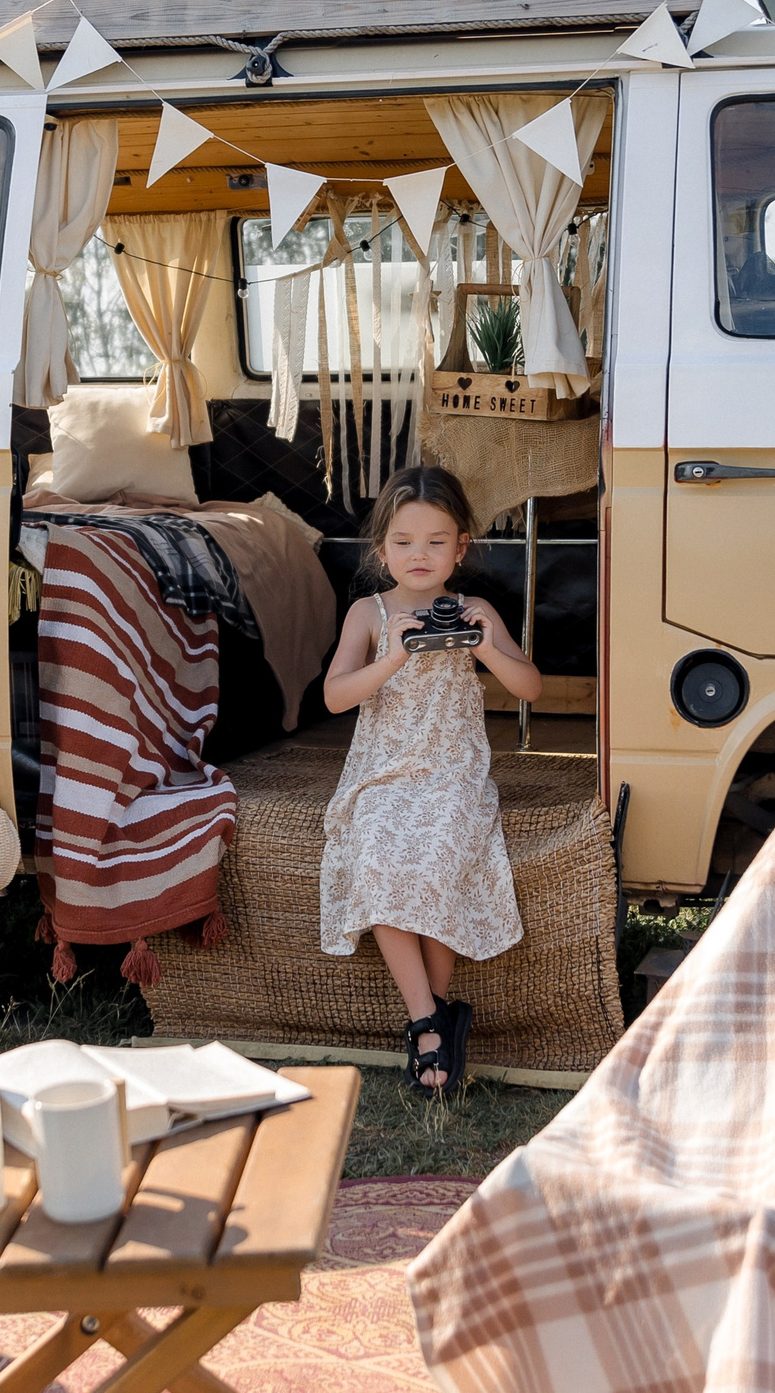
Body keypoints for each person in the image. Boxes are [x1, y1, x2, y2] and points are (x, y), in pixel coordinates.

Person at [319, 465, 535, 1096]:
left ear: (461, 547)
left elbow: (530, 686)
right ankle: (432, 1024)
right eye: (405, 542)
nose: (420, 555)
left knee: (438, 863)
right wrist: (393, 656)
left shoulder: (475, 610)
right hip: (383, 773)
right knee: (382, 859)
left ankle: (431, 1023)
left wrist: (488, 647)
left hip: (452, 773)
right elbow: (334, 698)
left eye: (437, 542)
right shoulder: (369, 612)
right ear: (382, 547)